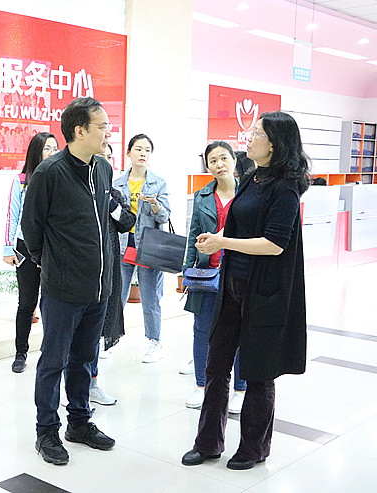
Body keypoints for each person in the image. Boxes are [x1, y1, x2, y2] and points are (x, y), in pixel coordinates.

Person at [181, 111, 309, 471]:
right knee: (216, 366)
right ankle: (208, 443)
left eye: (257, 133)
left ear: (275, 144)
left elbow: (274, 244)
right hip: (232, 286)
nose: (248, 138)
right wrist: (218, 239)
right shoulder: (252, 177)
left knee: (258, 372)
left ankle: (254, 448)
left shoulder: (285, 188)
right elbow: (239, 225)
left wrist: (224, 242)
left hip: (264, 292)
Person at [21, 97, 120, 465]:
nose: (108, 133)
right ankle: (46, 430)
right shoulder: (49, 173)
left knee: (85, 359)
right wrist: (49, 262)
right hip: (63, 289)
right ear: (80, 131)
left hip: (99, 287)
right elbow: (31, 228)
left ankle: (79, 422)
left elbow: (107, 221)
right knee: (54, 361)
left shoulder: (104, 168)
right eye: (102, 127)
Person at [182, 141, 246, 413]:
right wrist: (186, 271)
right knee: (202, 330)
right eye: (213, 161)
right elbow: (192, 236)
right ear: (207, 166)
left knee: (240, 332)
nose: (219, 165)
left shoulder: (248, 194)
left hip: (239, 273)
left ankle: (240, 389)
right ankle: (201, 385)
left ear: (234, 160)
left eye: (223, 158)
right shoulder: (202, 196)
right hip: (206, 273)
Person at [3, 132, 60, 374]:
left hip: (52, 249)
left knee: (52, 304)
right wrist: (8, 248)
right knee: (27, 303)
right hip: (26, 248)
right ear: (36, 151)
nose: (52, 153)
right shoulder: (21, 180)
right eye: (47, 148)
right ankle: (21, 352)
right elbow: (12, 215)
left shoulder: (59, 178)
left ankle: (51, 352)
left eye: (55, 148)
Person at [112, 134, 171, 363]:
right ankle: (110, 338)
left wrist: (155, 204)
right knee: (117, 295)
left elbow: (165, 216)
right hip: (123, 244)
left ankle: (155, 341)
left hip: (149, 246)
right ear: (128, 153)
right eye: (138, 149)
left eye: (147, 149)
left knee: (150, 297)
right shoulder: (118, 183)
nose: (143, 153)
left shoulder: (158, 183)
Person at [88, 143, 136, 405]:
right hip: (81, 272)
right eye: (100, 157)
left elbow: (127, 222)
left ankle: (92, 385)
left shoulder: (114, 194)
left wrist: (110, 204)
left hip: (108, 271)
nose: (105, 162)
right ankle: (74, 387)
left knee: (97, 331)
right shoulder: (79, 190)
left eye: (109, 157)